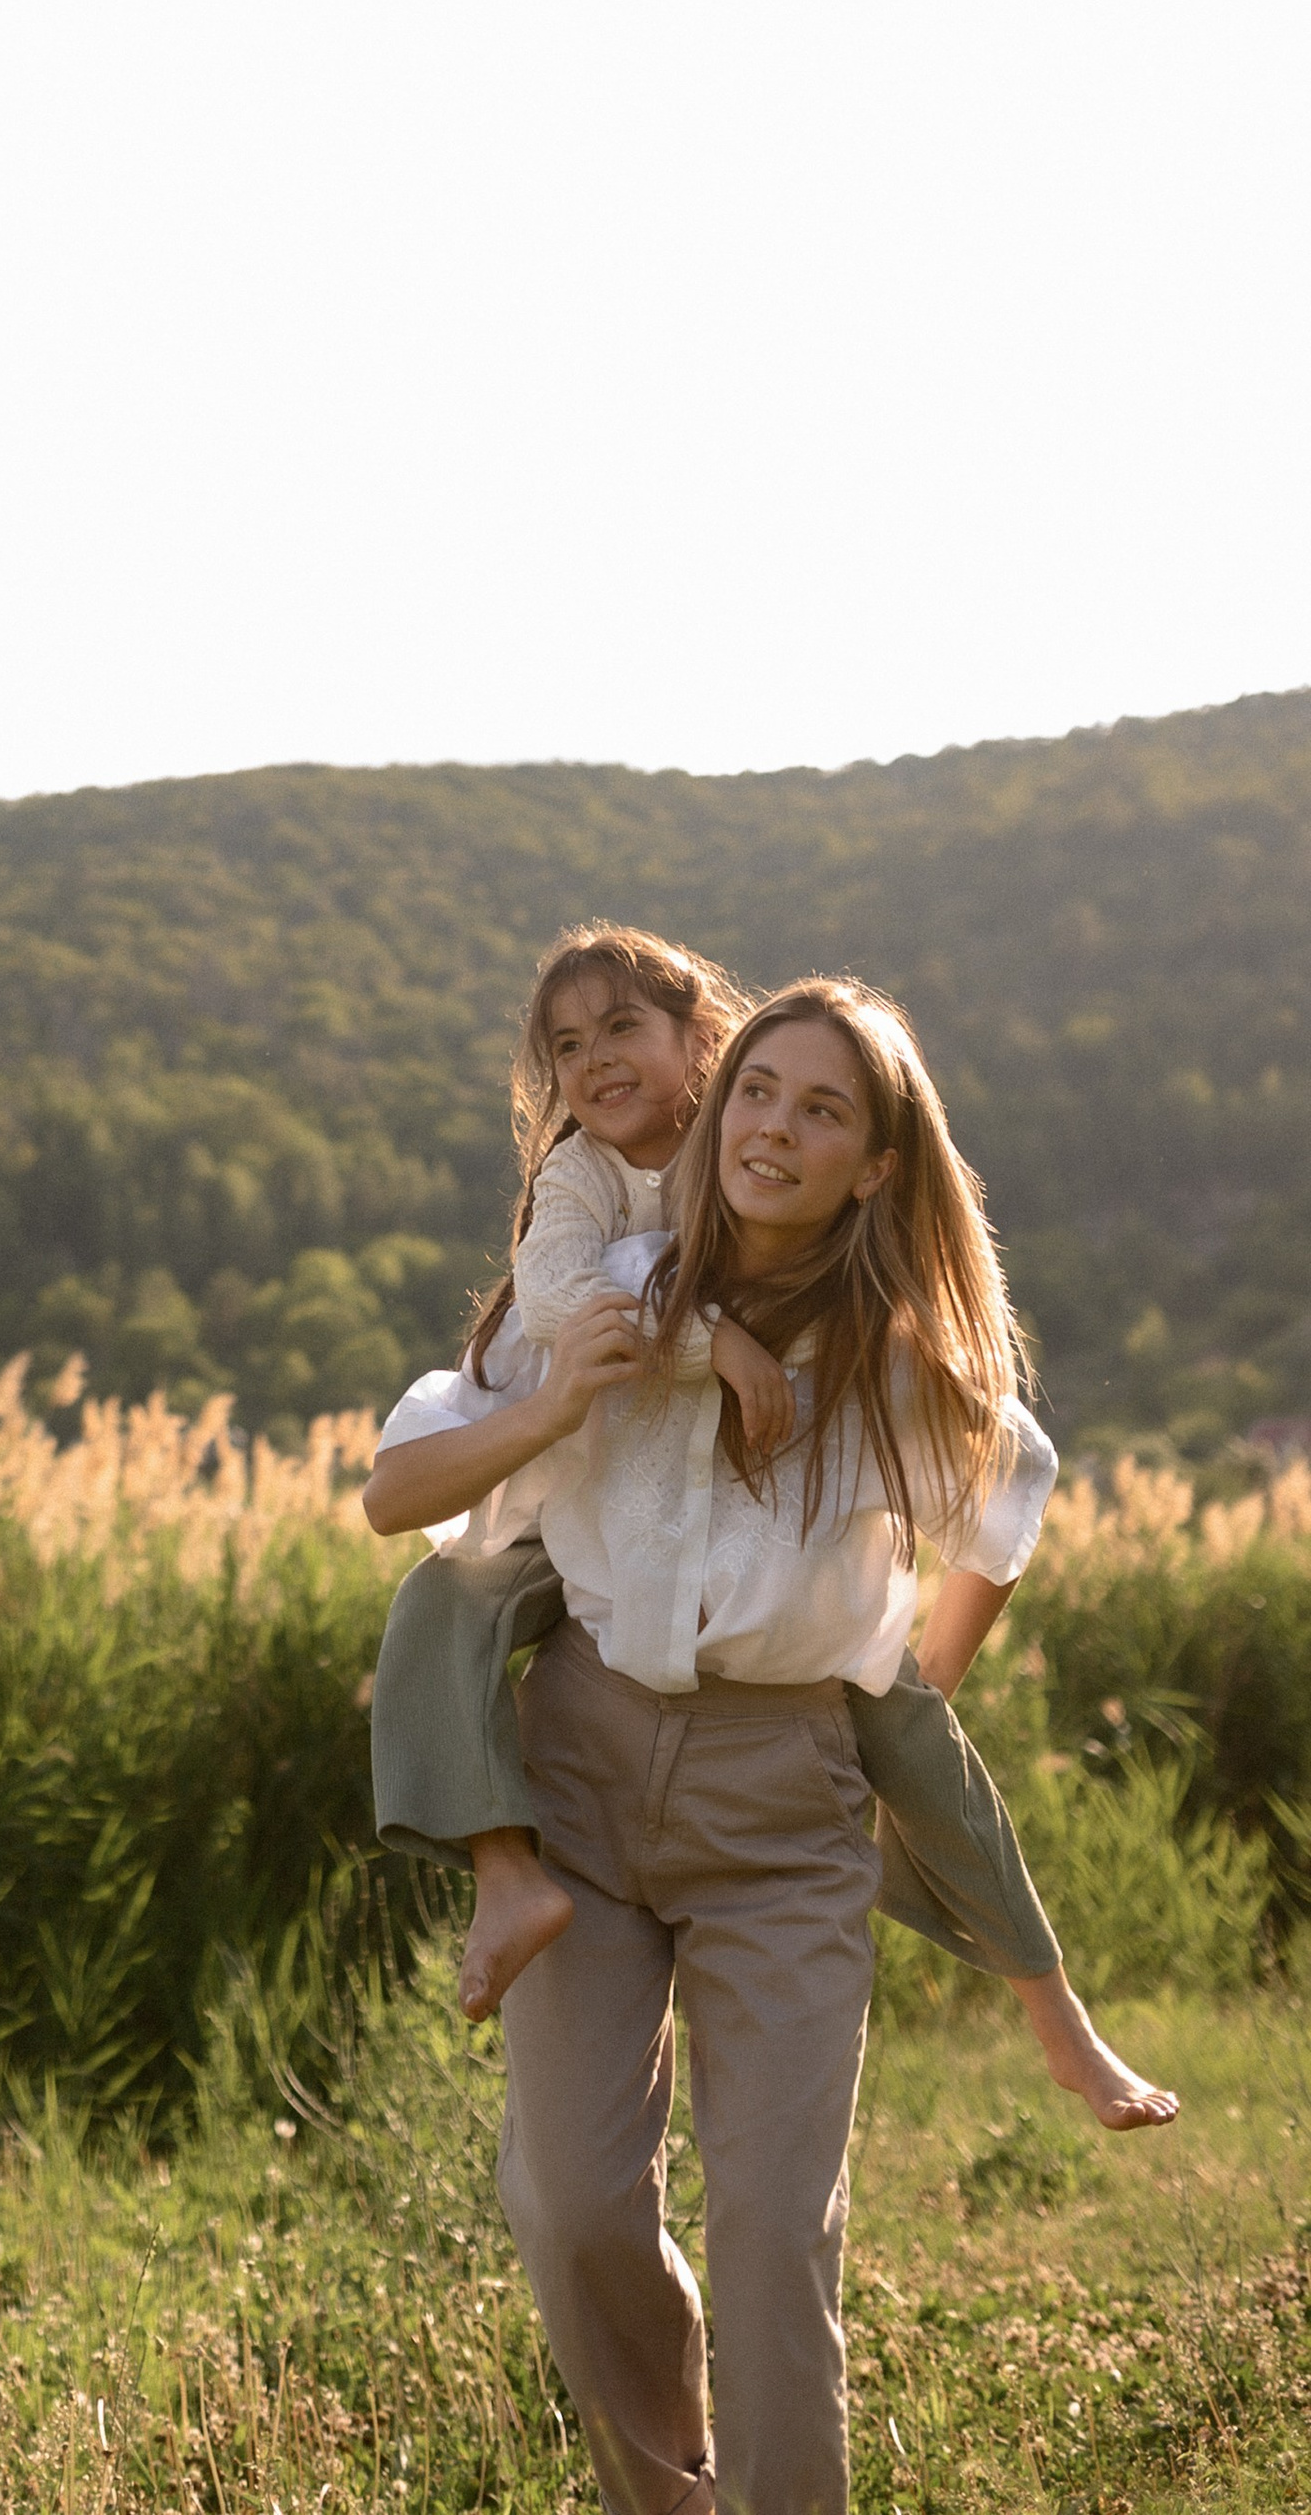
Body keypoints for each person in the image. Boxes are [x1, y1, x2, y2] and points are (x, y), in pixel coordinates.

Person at [363, 978, 1167, 2515]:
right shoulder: (610, 1288)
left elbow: (1011, 1492)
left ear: (876, 1162)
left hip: (785, 1812)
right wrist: (584, 1389)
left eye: (823, 1109)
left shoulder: (896, 1357)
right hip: (585, 1772)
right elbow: (402, 1491)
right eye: (756, 1092)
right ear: (715, 1103)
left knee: (775, 2235)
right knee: (578, 2207)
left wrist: (902, 1674)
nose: (775, 1129)